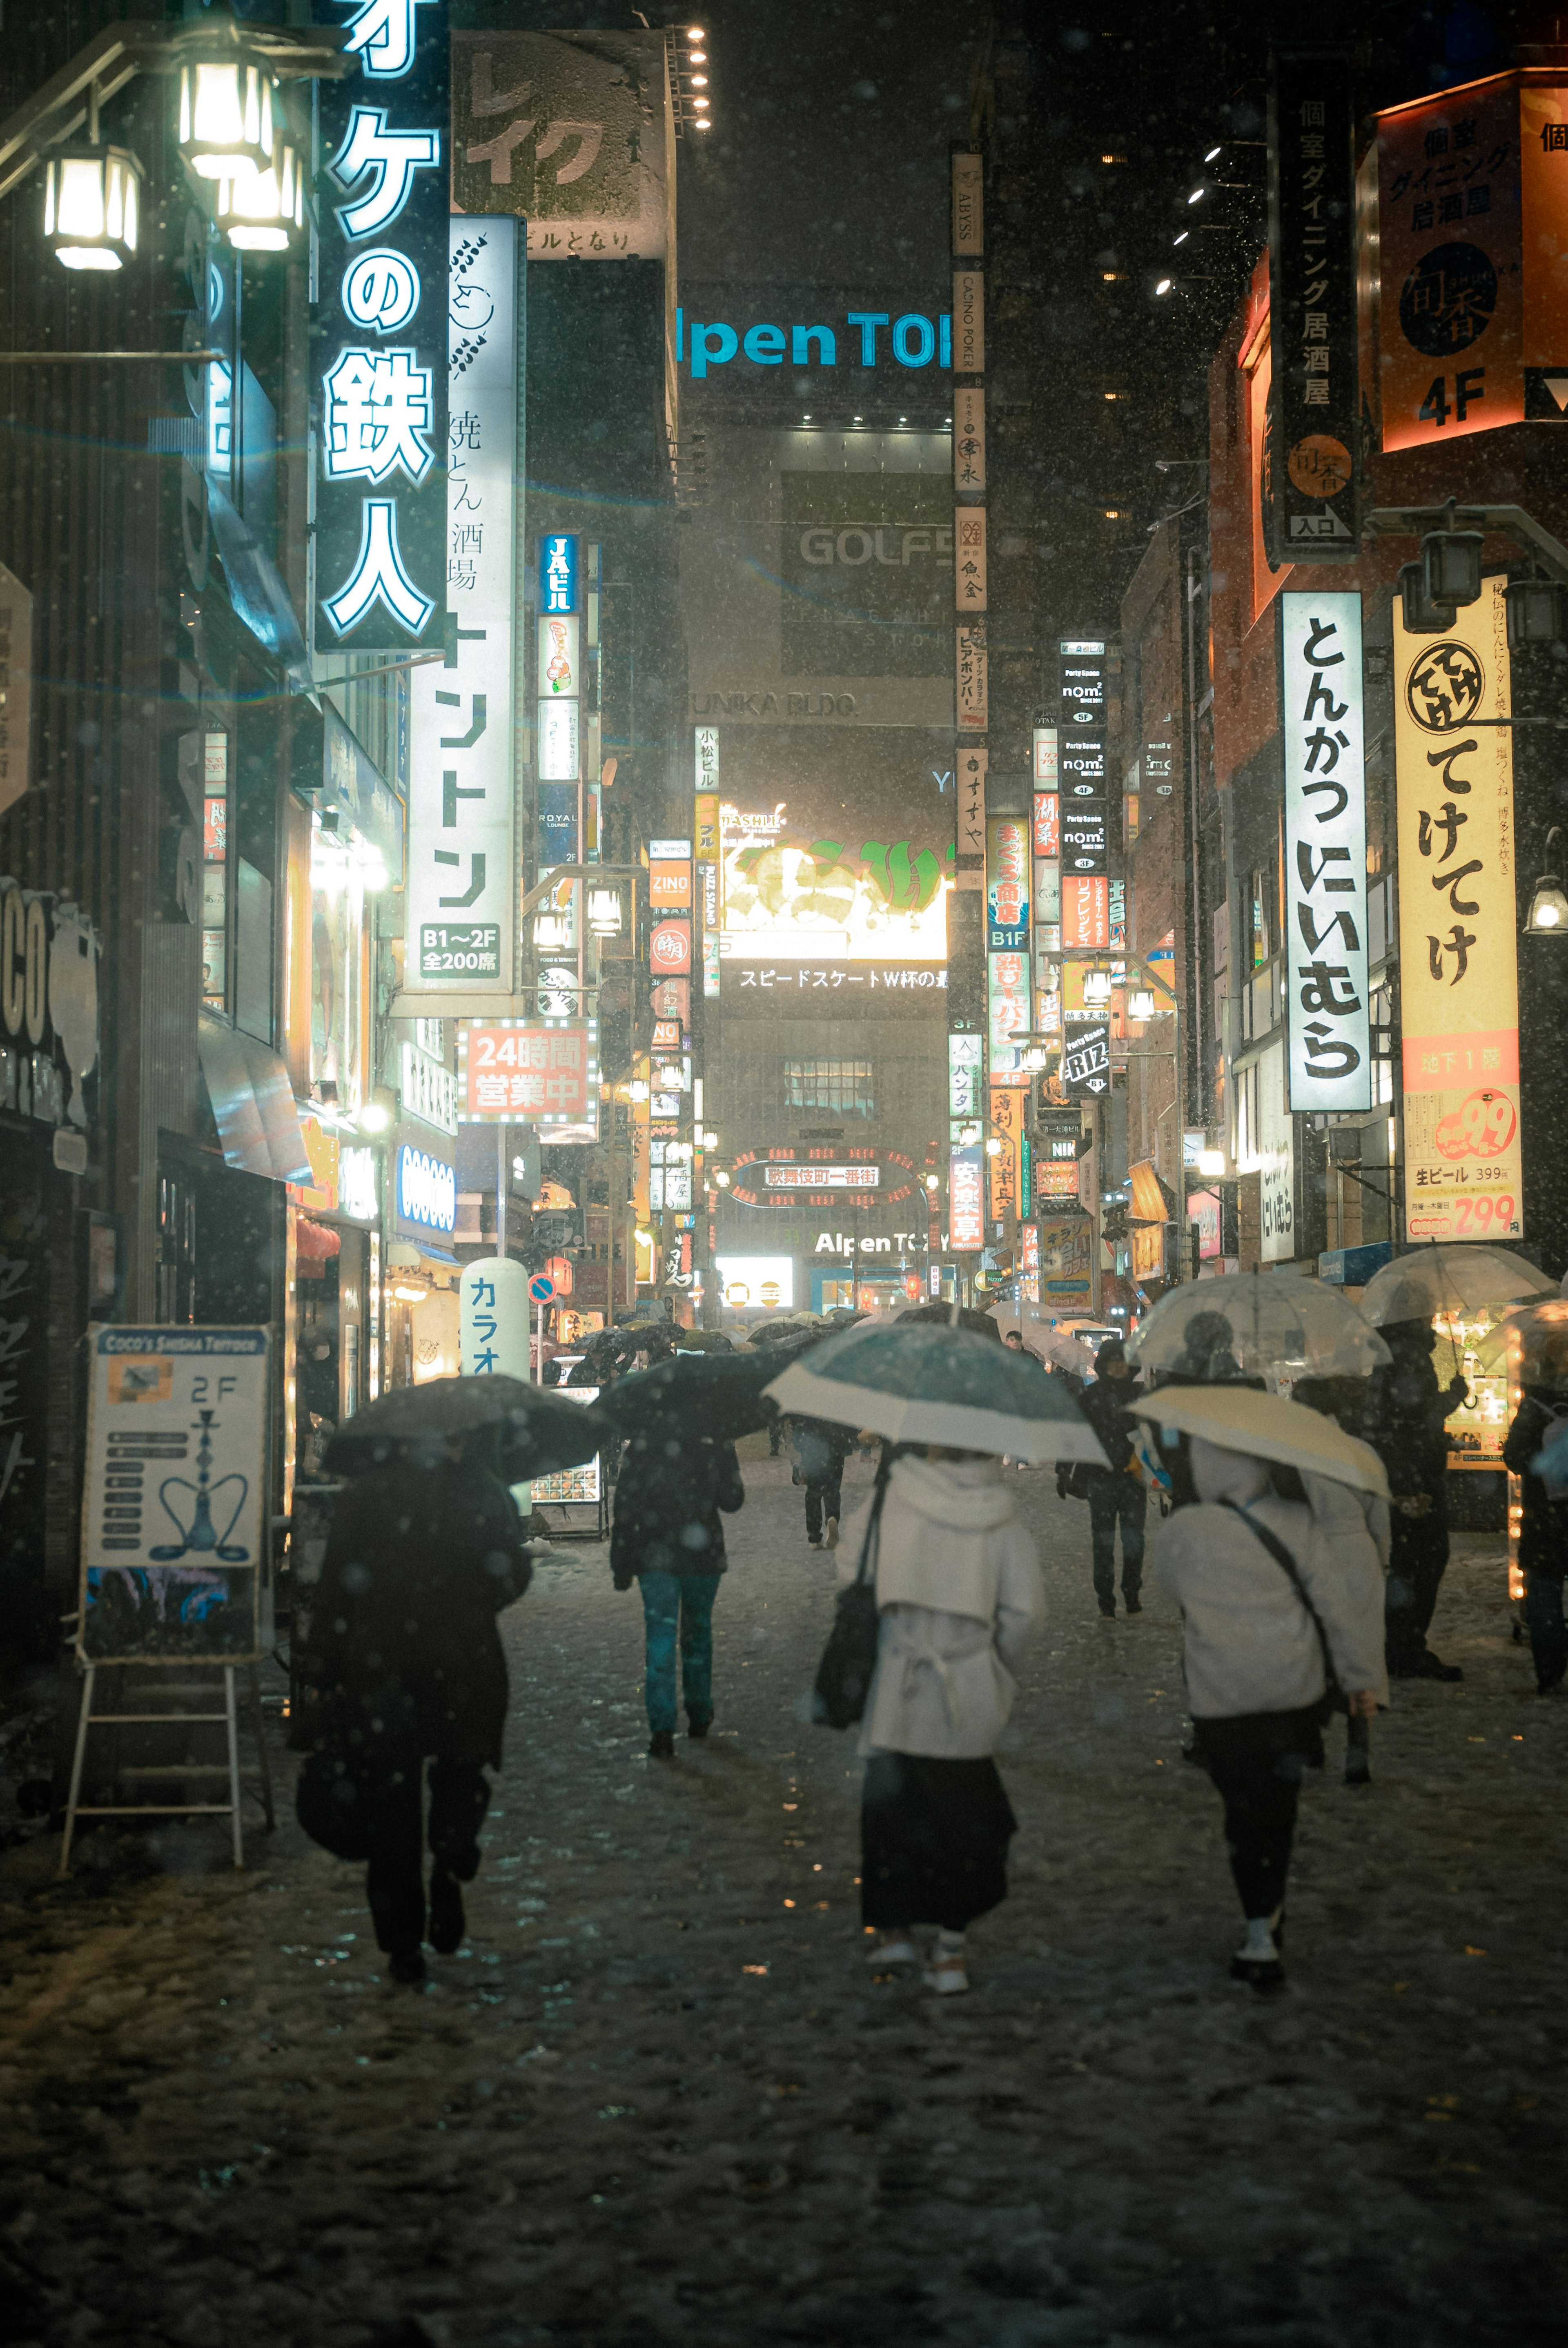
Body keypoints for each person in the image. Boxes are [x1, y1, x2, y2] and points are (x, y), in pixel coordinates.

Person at [1155, 1430, 1386, 1989]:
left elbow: (1168, 1591)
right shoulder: (1298, 1523)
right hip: (1290, 1693)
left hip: (1221, 1696)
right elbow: (1337, 1611)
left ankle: (1257, 1917)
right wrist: (1360, 1680)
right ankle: (1267, 1918)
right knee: (1277, 1809)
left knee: (1241, 1810)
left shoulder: (1183, 1529)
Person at [299, 1432, 531, 1986]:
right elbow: (514, 1572)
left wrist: (324, 1672)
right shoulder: (481, 1488)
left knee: (390, 1802)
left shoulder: (366, 1494)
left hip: (382, 1667)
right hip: (463, 1661)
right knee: (461, 1768)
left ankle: (402, 1941)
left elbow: (335, 1589)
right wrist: (474, 1602)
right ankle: (450, 1864)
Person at [840, 1443, 1042, 1996]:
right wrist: (995, 1668)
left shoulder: (889, 1502)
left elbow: (851, 1572)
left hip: (899, 1686)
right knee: (966, 1824)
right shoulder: (1001, 1520)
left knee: (892, 1818)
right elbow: (1024, 1614)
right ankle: (950, 1951)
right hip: (966, 1684)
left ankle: (895, 1930)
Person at [610, 1418, 745, 1757]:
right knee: (698, 1632)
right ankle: (699, 1712)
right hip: (703, 1554)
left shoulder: (641, 1445)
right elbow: (733, 1500)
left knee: (660, 1637)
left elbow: (625, 1508)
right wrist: (720, 1462)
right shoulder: (714, 1440)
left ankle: (662, 1727)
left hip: (655, 1556)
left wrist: (622, 1563)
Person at [1364, 1318, 1468, 1681]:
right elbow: (1418, 1416)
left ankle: (1396, 1647)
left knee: (1405, 1561)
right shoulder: (1409, 1357)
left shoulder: (1386, 1353)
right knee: (1425, 1559)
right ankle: (1406, 1650)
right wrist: (1454, 1396)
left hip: (1396, 1471)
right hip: (1414, 1477)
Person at [1059, 1338, 1146, 1618]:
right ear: (1104, 1365)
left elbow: (1156, 1437)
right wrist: (1063, 1469)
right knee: (1104, 1542)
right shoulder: (1090, 1397)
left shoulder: (1141, 1398)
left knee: (1134, 1541)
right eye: (1113, 1361)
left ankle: (1132, 1592)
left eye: (1123, 1361)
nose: (1119, 1366)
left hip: (1134, 1479)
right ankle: (1106, 1599)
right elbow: (1074, 1436)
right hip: (1100, 1479)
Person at [1501, 1332, 1568, 1695]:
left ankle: (1550, 1671)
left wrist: (1546, 1466)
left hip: (1546, 1517)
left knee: (1544, 1591)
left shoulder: (1537, 1402)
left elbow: (1513, 1456)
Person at [788, 1412, 855, 1550]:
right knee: (833, 1489)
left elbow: (797, 1424)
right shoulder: (838, 1395)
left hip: (813, 1448)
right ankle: (832, 1517)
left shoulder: (809, 1400)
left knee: (813, 1493)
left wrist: (800, 1444)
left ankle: (815, 1537)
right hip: (836, 1446)